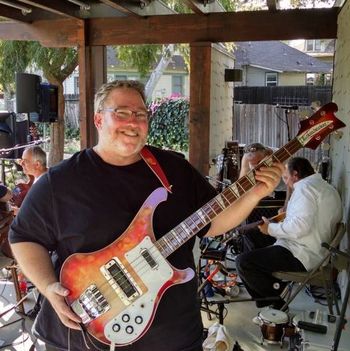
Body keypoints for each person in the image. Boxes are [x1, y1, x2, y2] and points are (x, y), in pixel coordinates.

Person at [9, 80, 283, 351]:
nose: (133, 121)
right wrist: (47, 286)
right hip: (84, 336)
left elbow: (211, 224)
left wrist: (254, 194)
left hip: (171, 335)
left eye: (140, 114)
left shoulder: (174, 170)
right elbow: (23, 237)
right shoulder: (61, 181)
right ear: (98, 119)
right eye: (121, 112)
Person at [235, 157, 342, 312]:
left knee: (243, 262)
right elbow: (308, 219)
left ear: (296, 175)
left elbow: (300, 227)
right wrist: (284, 216)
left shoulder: (305, 189)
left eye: (286, 177)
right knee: (255, 239)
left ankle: (276, 302)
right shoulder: (322, 187)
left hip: (302, 253)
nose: (285, 182)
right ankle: (274, 285)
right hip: (314, 249)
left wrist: (270, 229)